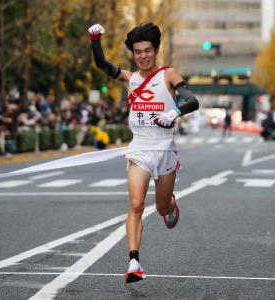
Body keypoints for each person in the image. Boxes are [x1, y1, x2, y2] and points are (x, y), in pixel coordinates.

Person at [88, 23, 199, 283]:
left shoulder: (169, 74)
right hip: (139, 149)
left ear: (156, 50)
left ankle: (170, 204)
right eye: (138, 52)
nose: (143, 56)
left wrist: (175, 112)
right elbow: (102, 64)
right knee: (136, 205)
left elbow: (192, 100)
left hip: (165, 151)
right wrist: (95, 40)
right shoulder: (129, 77)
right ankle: (134, 261)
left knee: (160, 208)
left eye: (148, 50)